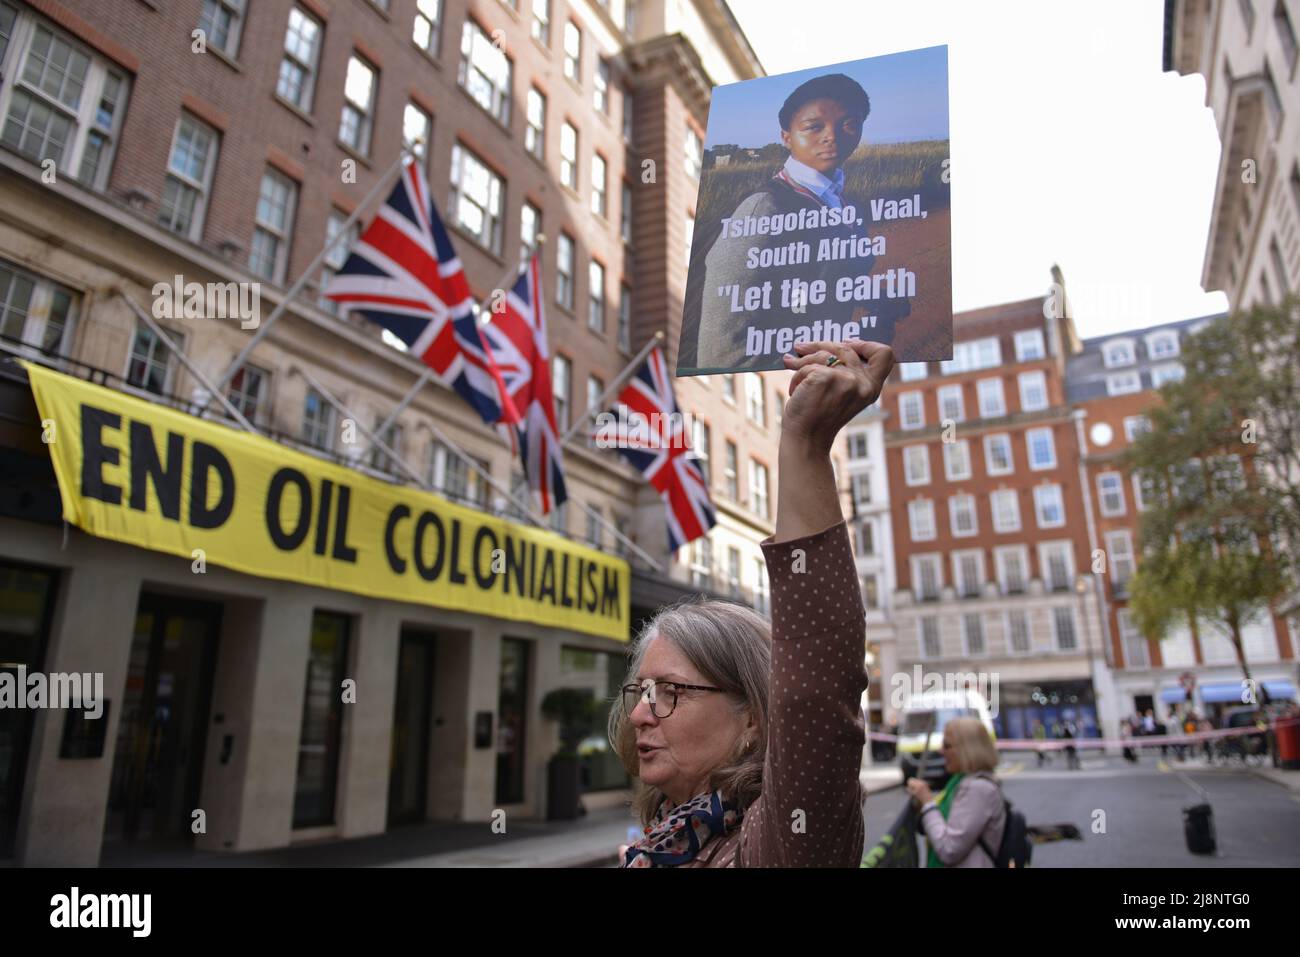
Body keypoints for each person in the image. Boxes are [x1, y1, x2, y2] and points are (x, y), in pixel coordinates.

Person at [610, 339, 896, 867]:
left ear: (754, 721)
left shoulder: (781, 843)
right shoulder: (664, 845)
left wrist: (805, 444)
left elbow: (817, 679)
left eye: (671, 691)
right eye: (643, 690)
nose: (642, 715)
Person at [683, 73, 910, 372]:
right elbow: (723, 351)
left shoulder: (845, 203)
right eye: (814, 126)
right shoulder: (764, 209)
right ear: (786, 136)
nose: (832, 136)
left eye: (848, 123)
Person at [904, 717, 1007, 868]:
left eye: (947, 745)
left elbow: (949, 849)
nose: (941, 751)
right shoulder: (960, 783)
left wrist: (927, 802)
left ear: (967, 749)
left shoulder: (978, 789)